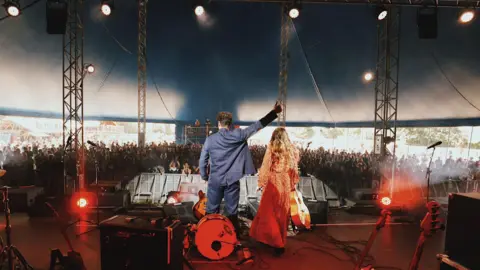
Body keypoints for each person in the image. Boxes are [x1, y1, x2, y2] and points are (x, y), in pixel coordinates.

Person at [199, 102, 282, 236]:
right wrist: (274, 112)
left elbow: (202, 160)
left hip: (215, 180)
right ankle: (232, 239)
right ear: (230, 124)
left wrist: (204, 176)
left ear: (219, 123)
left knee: (210, 211)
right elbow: (257, 126)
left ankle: (205, 236)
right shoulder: (239, 135)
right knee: (232, 212)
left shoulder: (210, 140)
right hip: (232, 180)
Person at [249, 127, 300, 256]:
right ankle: (279, 241)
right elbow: (294, 169)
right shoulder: (292, 149)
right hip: (285, 183)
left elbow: (266, 166)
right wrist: (293, 183)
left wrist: (261, 183)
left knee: (268, 214)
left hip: (273, 183)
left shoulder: (271, 147)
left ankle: (275, 242)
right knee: (282, 214)